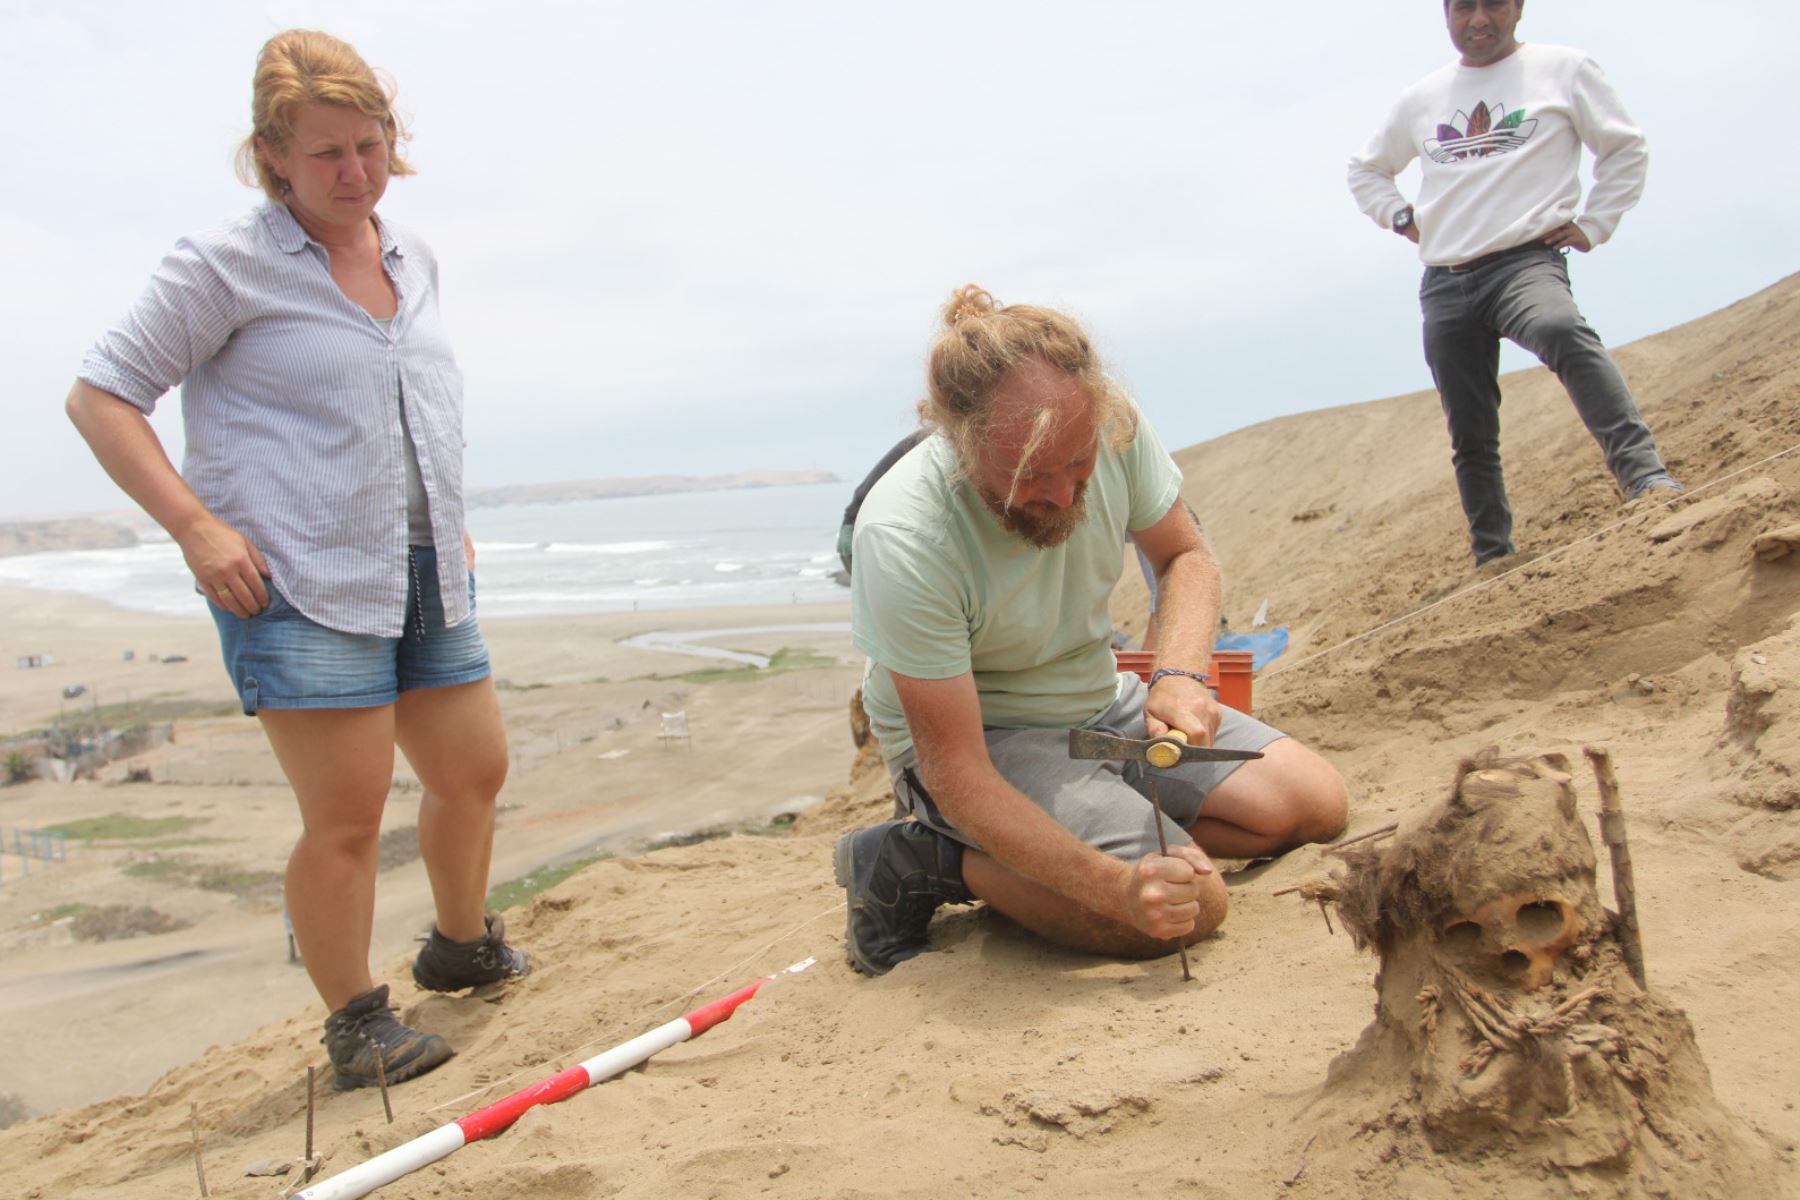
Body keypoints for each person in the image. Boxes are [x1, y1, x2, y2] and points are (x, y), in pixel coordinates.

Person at [65, 30, 527, 1090]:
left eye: (369, 145)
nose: (355, 173)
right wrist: (195, 526)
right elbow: (100, 396)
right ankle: (357, 1024)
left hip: (421, 568)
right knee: (348, 819)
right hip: (295, 582)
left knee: (473, 772)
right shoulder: (222, 265)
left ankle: (462, 948)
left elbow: (408, 404)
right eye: (327, 154)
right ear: (274, 154)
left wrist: (440, 512)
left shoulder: (413, 255)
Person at [833, 286, 1349, 976]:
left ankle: (1094, 826)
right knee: (1186, 913)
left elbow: (1186, 557)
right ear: (960, 444)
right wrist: (1118, 891)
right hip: (988, 739)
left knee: (1313, 807)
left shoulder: (1111, 426)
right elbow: (956, 774)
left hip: (1101, 700)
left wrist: (1180, 675)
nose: (1066, 494)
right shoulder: (905, 535)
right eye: (1031, 476)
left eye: (1078, 464)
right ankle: (932, 859)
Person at [1347, 0, 1682, 568]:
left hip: (1525, 262)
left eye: (1494, 4)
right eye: (1463, 7)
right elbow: (1365, 169)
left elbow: (1625, 147)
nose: (1478, 19)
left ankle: (1646, 478)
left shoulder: (1565, 69)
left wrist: (1596, 222)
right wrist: (1399, 216)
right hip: (1446, 278)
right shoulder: (1421, 97)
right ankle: (1493, 554)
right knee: (1468, 423)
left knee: (1560, 326)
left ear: (1519, 8)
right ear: (1446, 14)